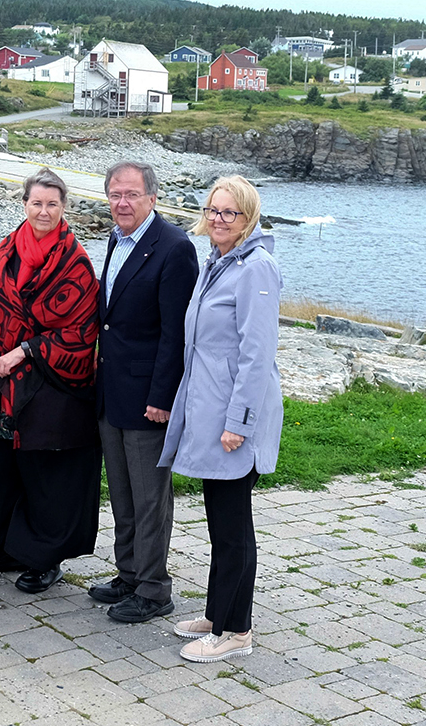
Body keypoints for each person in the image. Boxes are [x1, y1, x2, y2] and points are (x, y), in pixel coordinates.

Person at [0, 168, 100, 594]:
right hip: (0, 384)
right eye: (36, 203)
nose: (44, 211)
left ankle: (43, 560)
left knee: (44, 477)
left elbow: (81, 331)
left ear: (64, 207)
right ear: (24, 204)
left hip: (51, 387)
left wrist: (26, 350)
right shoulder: (6, 249)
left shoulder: (76, 262)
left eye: (52, 204)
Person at [160, 174, 283, 663]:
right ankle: (217, 613)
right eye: (213, 210)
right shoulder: (218, 261)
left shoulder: (257, 268)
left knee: (233, 527)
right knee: (219, 520)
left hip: (234, 418)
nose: (218, 219)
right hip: (212, 411)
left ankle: (236, 631)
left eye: (229, 212)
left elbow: (257, 354)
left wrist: (240, 423)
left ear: (248, 217)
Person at [87, 161, 199, 623]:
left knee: (150, 498)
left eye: (132, 194)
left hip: (149, 398)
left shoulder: (174, 247)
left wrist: (163, 397)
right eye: (115, 194)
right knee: (123, 493)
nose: (122, 203)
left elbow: (176, 333)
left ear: (152, 198)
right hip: (112, 391)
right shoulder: (116, 239)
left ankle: (154, 589)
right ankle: (129, 573)